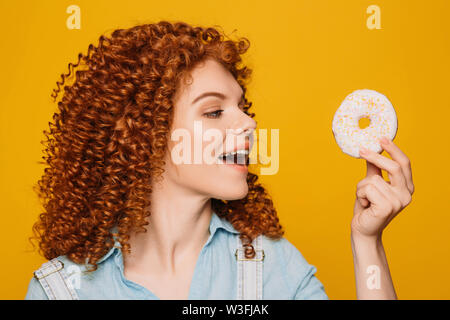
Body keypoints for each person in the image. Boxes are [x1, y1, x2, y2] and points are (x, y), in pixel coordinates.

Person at [25, 20, 414, 300]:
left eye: (243, 107)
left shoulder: (269, 265)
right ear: (143, 133)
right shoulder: (60, 289)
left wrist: (367, 242)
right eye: (213, 112)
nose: (248, 123)